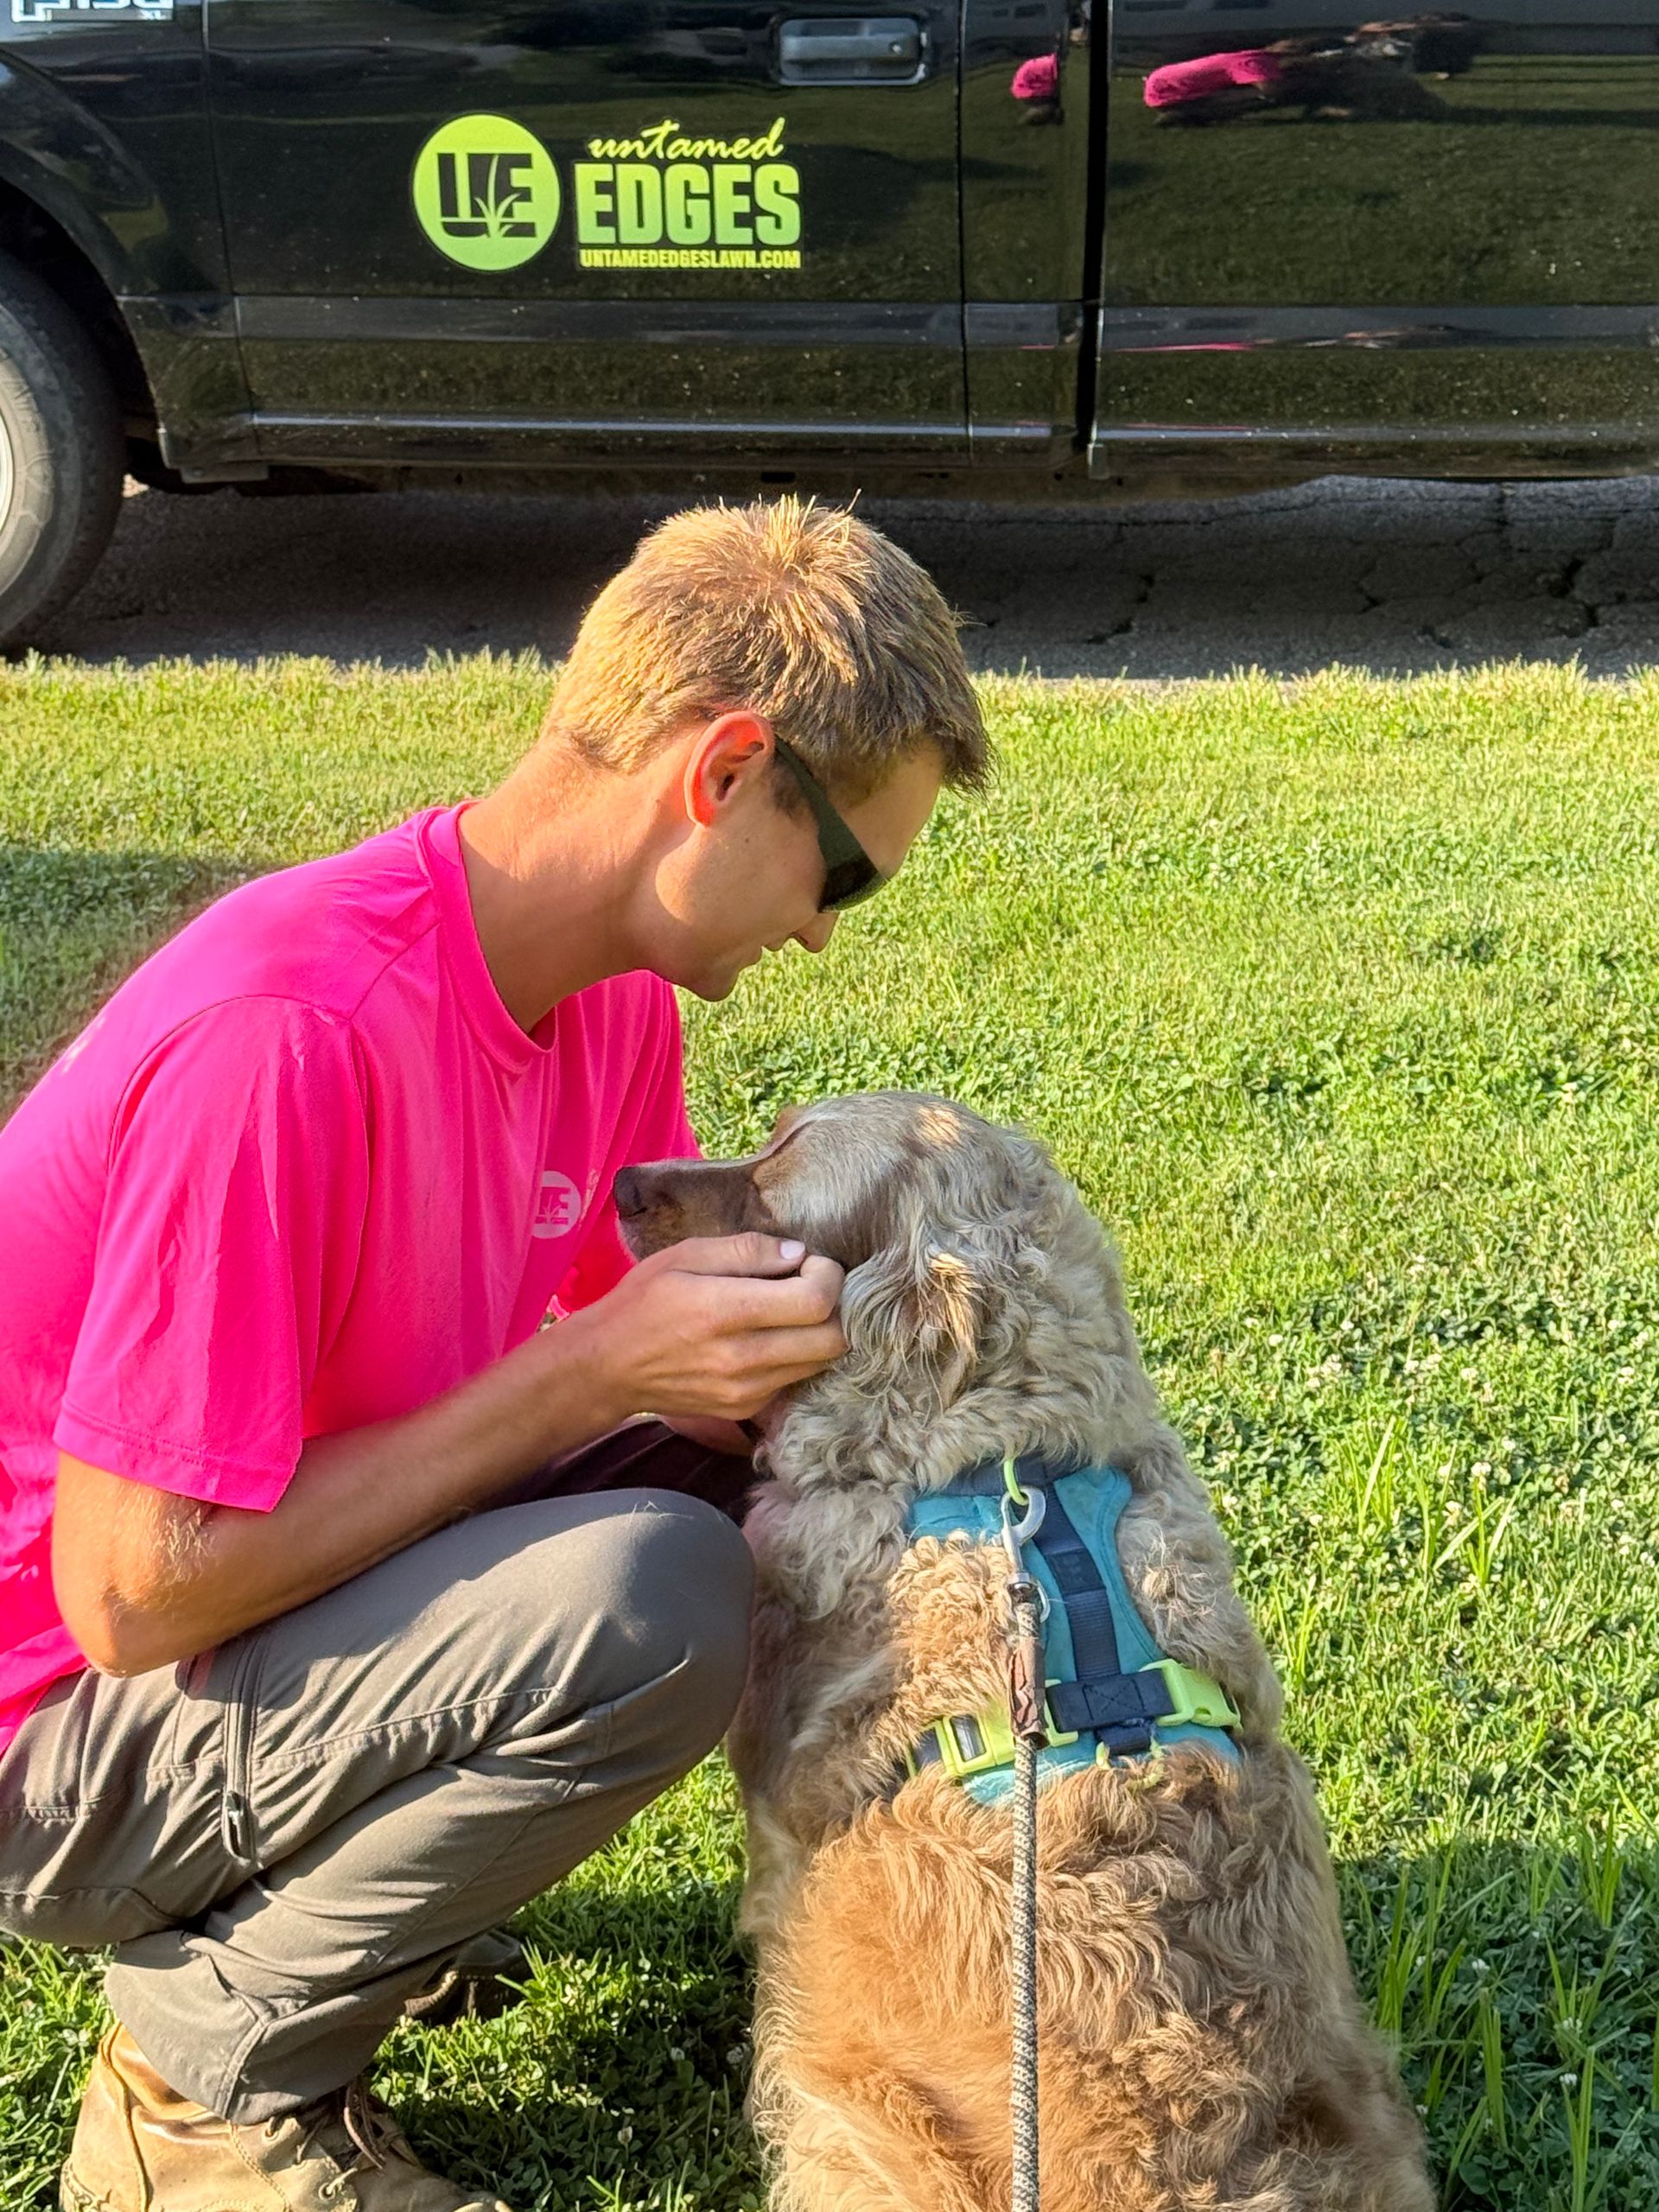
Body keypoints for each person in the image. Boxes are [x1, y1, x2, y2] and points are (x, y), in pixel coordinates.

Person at [0, 498, 989, 2211]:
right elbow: (130, 1595)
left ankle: (933, 1924)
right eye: (839, 874)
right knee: (649, 1596)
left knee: (773, 1448)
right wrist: (589, 1372)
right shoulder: (289, 1033)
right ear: (725, 768)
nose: (826, 931)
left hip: (238, 1622)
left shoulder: (602, 989)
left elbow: (685, 1379)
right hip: (53, 1727)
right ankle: (198, 2091)